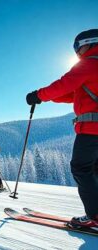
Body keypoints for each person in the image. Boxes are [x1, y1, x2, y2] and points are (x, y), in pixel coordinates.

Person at [26, 29, 98, 230]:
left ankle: (95, 218)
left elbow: (64, 84)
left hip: (92, 129)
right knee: (94, 170)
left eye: (78, 47)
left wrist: (39, 95)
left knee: (81, 169)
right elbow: (72, 92)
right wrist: (46, 97)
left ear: (89, 43)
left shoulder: (90, 62)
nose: (77, 52)